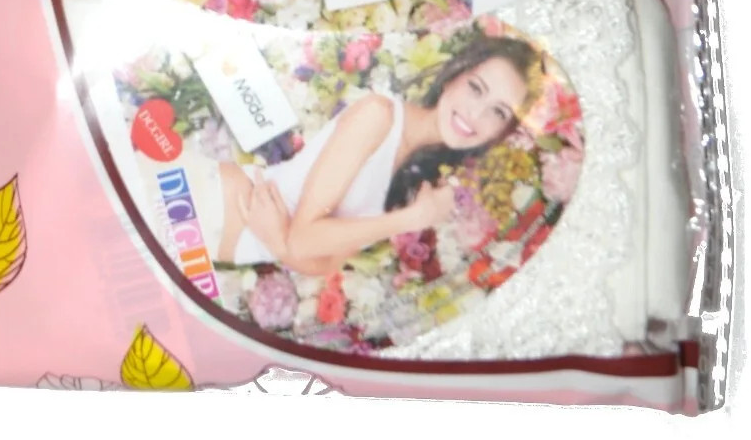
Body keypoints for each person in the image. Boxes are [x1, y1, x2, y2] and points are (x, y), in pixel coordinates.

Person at [211, 33, 540, 273]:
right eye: (476, 88)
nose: (476, 114)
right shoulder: (379, 116)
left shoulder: (423, 183)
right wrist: (411, 219)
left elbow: (323, 264)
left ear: (501, 132)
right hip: (214, 200)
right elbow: (301, 241)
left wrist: (278, 243)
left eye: (498, 112)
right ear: (453, 77)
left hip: (222, 242)